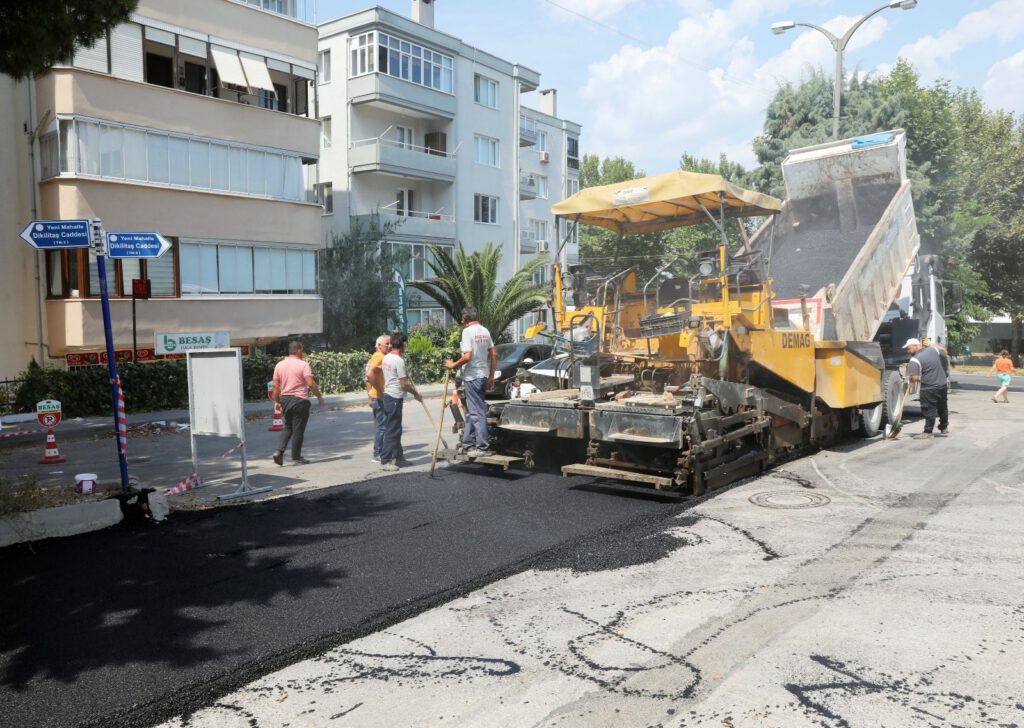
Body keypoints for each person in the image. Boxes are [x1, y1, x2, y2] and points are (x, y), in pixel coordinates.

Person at [445, 307, 496, 457]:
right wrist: (491, 375)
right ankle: (467, 443)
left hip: (472, 377)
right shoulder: (485, 331)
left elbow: (467, 356)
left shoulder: (467, 332)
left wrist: (453, 365)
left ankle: (482, 447)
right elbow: (494, 354)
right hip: (483, 376)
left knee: (477, 412)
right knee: (473, 411)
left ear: (464, 319)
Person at [271, 341, 324, 465]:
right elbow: (310, 383)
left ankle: (279, 451)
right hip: (300, 400)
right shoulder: (303, 365)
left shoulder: (279, 365)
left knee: (288, 426)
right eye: (303, 350)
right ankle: (296, 457)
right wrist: (319, 396)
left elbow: (275, 385)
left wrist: (278, 401)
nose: (303, 353)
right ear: (299, 350)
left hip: (285, 399)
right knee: (298, 430)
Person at [380, 332, 422, 472]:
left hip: (388, 396)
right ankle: (385, 460)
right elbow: (404, 384)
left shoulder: (386, 358)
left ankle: (399, 457)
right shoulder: (399, 361)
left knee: (395, 429)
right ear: (402, 345)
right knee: (393, 430)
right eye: (405, 344)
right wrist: (416, 393)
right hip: (394, 398)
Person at [904, 337, 950, 439]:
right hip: (942, 384)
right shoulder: (932, 350)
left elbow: (915, 378)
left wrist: (910, 379)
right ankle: (944, 427)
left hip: (929, 387)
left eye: (908, 348)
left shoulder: (915, 359)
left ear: (916, 346)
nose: (907, 351)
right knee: (942, 407)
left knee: (929, 409)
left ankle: (928, 432)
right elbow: (943, 351)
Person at [365, 334, 391, 463]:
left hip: (378, 396)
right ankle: (377, 453)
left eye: (390, 343)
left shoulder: (383, 357)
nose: (389, 345)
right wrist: (378, 391)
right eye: (387, 343)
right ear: (379, 345)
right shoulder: (378, 357)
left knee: (382, 425)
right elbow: (369, 376)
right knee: (382, 426)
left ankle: (382, 451)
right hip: (378, 397)